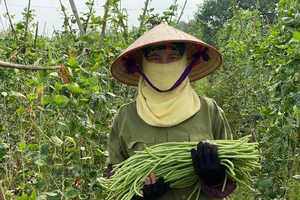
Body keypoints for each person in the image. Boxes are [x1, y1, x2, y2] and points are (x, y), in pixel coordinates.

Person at [106, 23, 237, 200]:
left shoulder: (209, 110)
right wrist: (138, 197)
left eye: (173, 57)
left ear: (184, 62)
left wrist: (216, 177)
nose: (165, 65)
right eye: (156, 58)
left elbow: (234, 169)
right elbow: (115, 179)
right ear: (143, 65)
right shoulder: (126, 117)